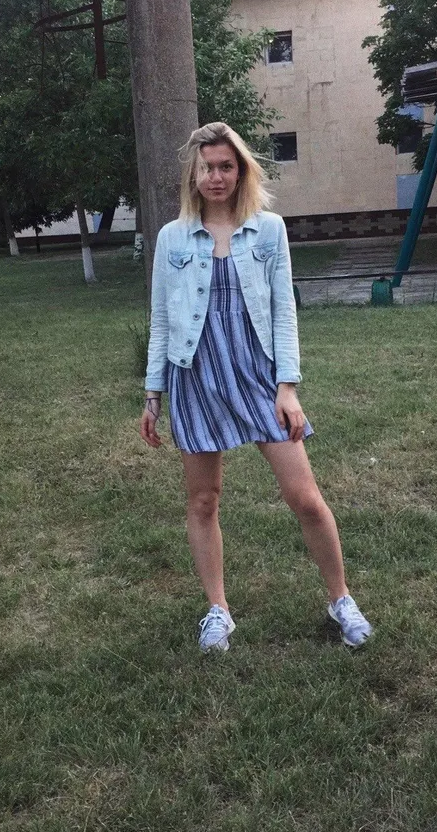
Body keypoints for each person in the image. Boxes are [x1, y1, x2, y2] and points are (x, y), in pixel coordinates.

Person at [139, 121, 373, 654]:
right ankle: (217, 610)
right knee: (203, 500)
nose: (216, 176)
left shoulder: (268, 230)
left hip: (258, 376)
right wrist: (153, 394)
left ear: (241, 171)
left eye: (226, 166)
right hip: (195, 377)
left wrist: (287, 387)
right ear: (193, 175)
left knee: (305, 498)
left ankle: (341, 599)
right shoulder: (172, 238)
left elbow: (284, 311)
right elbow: (162, 320)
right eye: (207, 168)